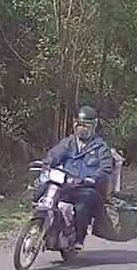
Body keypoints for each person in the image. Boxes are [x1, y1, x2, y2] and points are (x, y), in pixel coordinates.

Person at [43, 105, 114, 249]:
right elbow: (55, 154)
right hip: (66, 184)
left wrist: (92, 178)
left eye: (86, 126)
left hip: (87, 187)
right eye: (79, 125)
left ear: (93, 126)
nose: (82, 129)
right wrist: (47, 163)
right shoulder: (68, 142)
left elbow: (106, 168)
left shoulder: (100, 147)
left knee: (84, 203)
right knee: (42, 191)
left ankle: (79, 239)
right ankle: (45, 226)